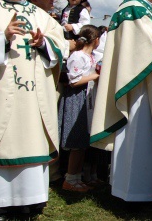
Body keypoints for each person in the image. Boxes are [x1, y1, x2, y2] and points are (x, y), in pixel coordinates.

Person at [90, 0, 152, 203]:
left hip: (144, 83)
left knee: (140, 140)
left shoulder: (140, 9)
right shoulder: (135, 10)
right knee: (138, 139)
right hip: (139, 88)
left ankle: (142, 191)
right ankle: (135, 194)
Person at [0, 0, 67, 220]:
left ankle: (28, 204)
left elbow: (60, 48)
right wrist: (2, 37)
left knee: (31, 141)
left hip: (32, 100)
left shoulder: (40, 15)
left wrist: (43, 43)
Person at [58, 25, 101, 192]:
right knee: (77, 142)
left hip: (87, 99)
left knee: (83, 142)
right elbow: (74, 81)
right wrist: (97, 75)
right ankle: (70, 178)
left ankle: (79, 176)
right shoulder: (78, 56)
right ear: (96, 40)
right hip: (76, 99)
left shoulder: (90, 56)